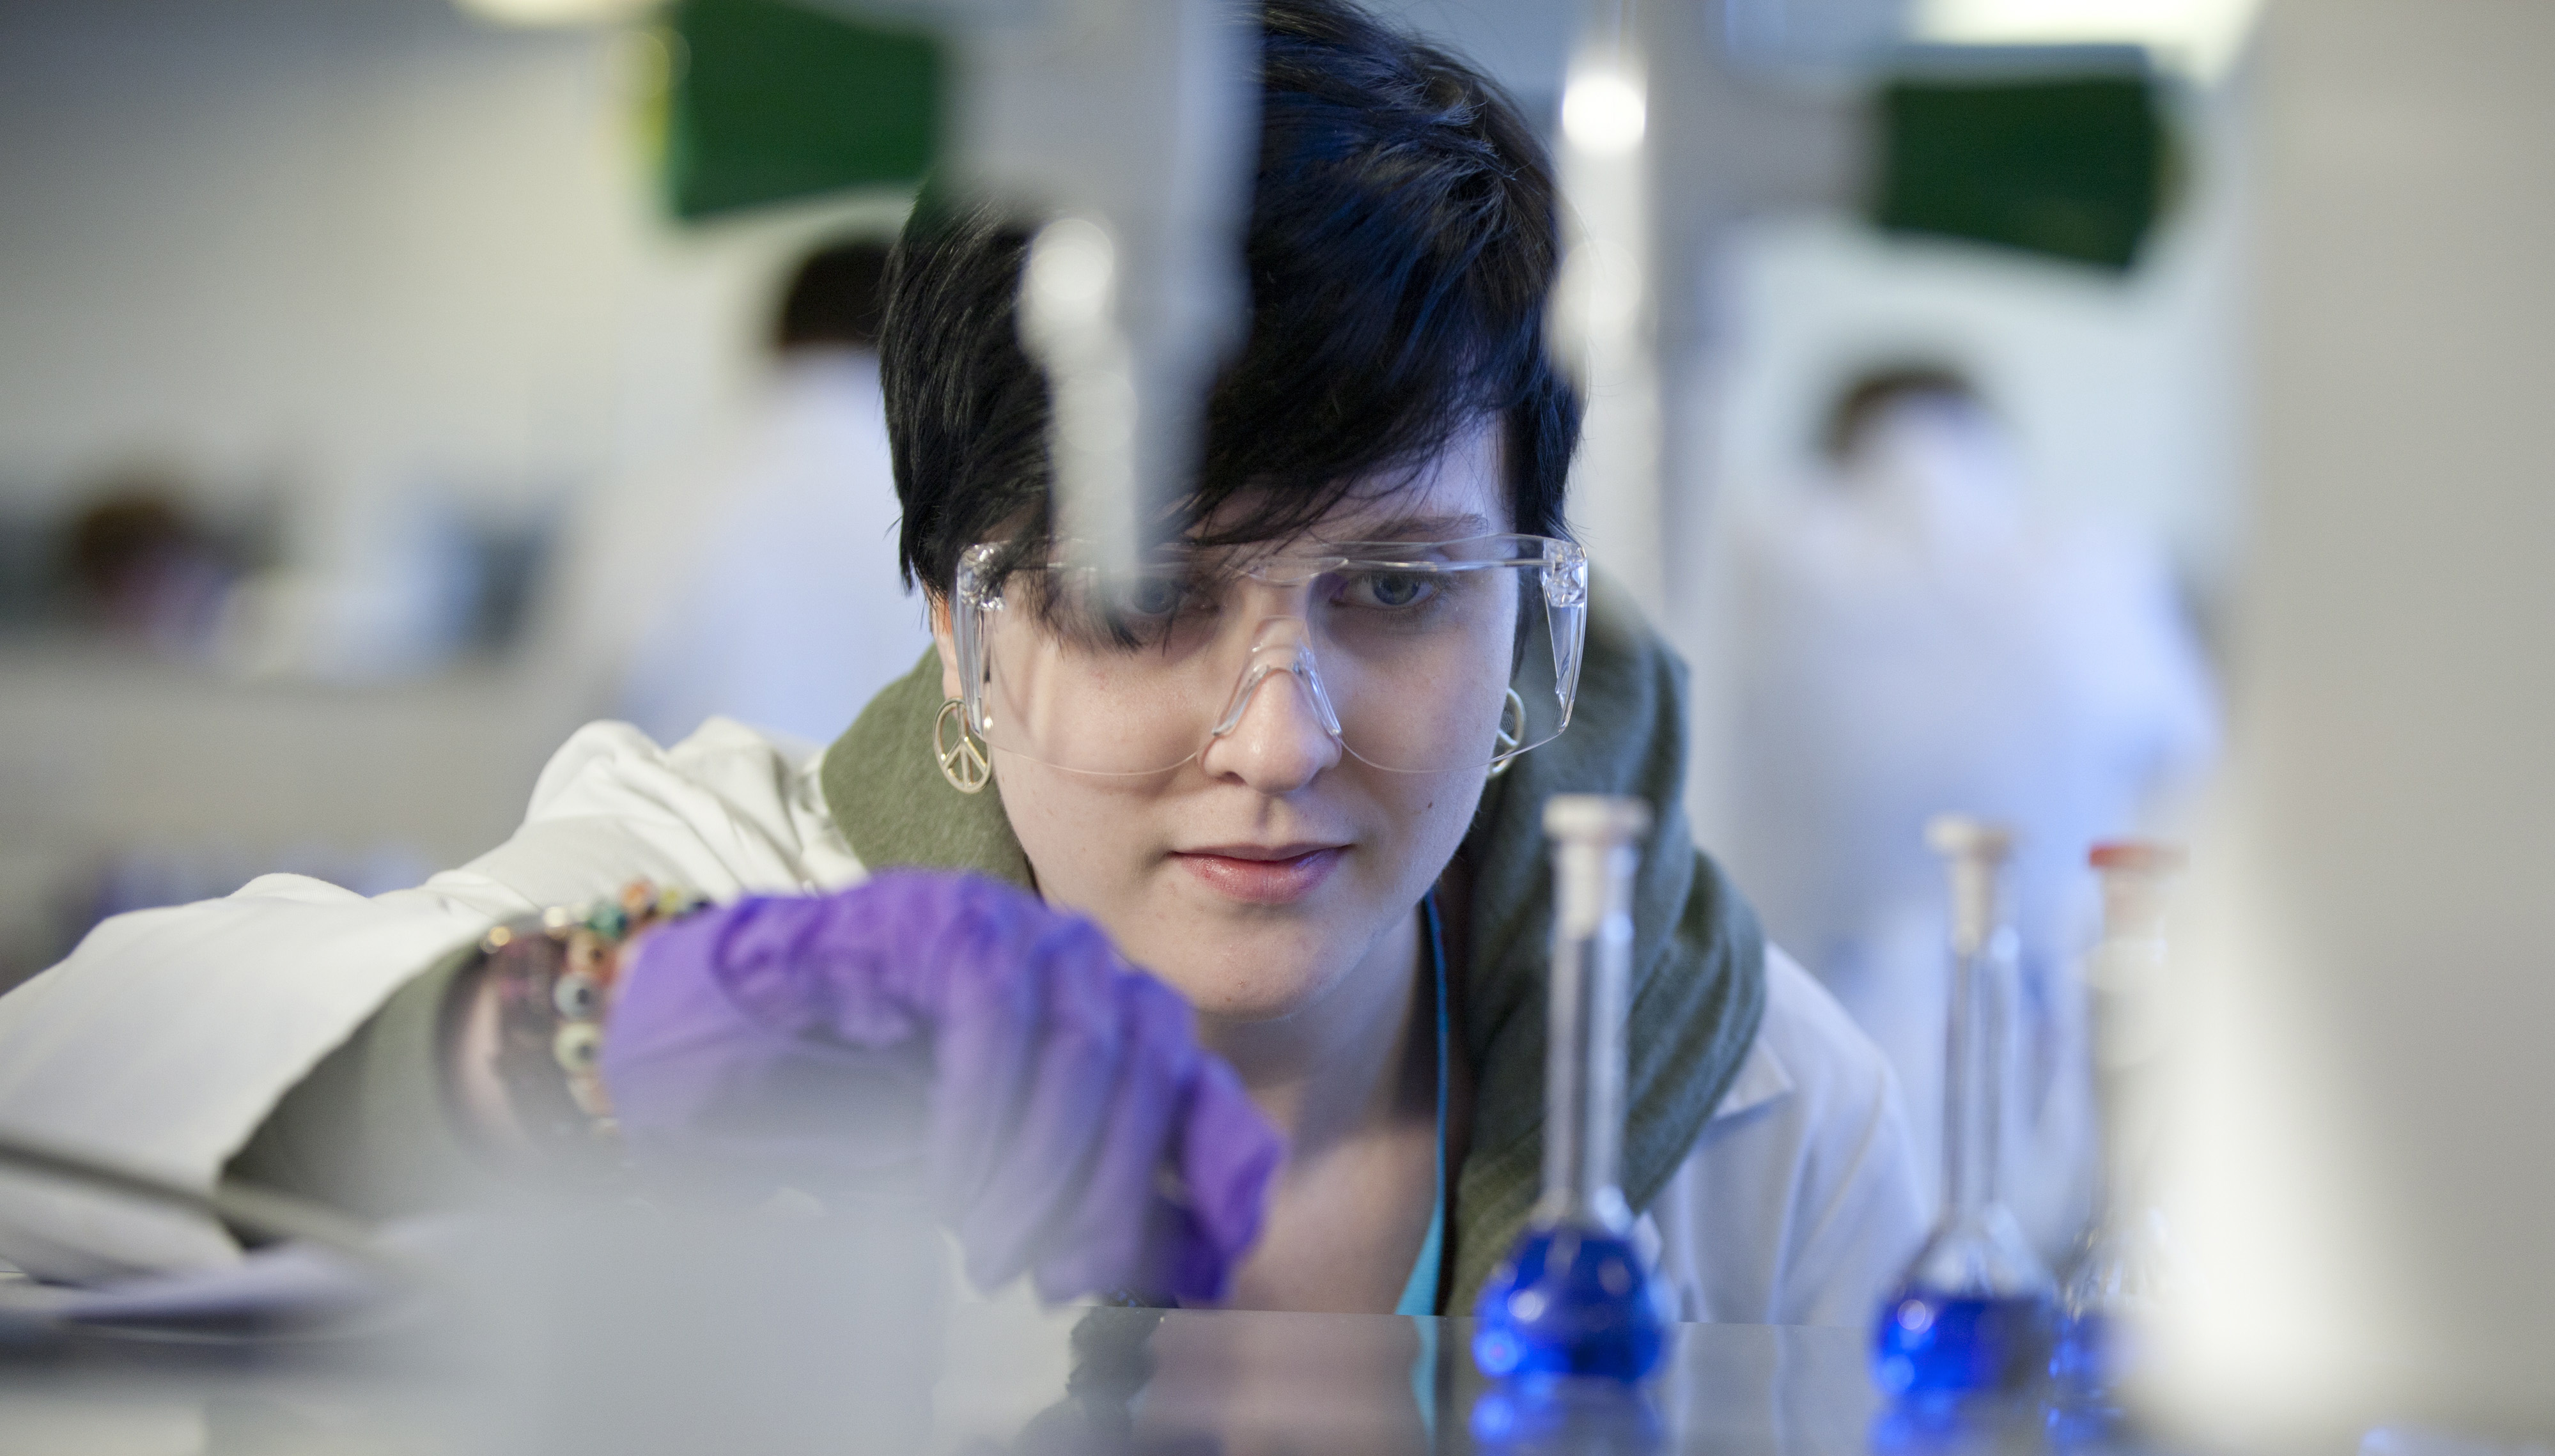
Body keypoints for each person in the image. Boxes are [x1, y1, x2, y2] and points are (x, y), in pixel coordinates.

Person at [0, 0, 1923, 1325]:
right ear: (954, 623)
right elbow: (45, 1110)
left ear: (1536, 604)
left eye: (1399, 592)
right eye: (1140, 597)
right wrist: (568, 1038)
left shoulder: (1761, 1114)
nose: (1278, 739)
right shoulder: (741, 902)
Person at [1710, 364, 2217, 1254]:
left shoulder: (1759, 548)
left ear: (1833, 450)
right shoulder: (2100, 556)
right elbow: (2193, 773)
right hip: (2053, 1081)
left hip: (1784, 1063)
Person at [607, 236, 926, 748]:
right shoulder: (959, 514)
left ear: (776, 337)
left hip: (681, 825)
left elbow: (557, 761)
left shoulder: (647, 504)